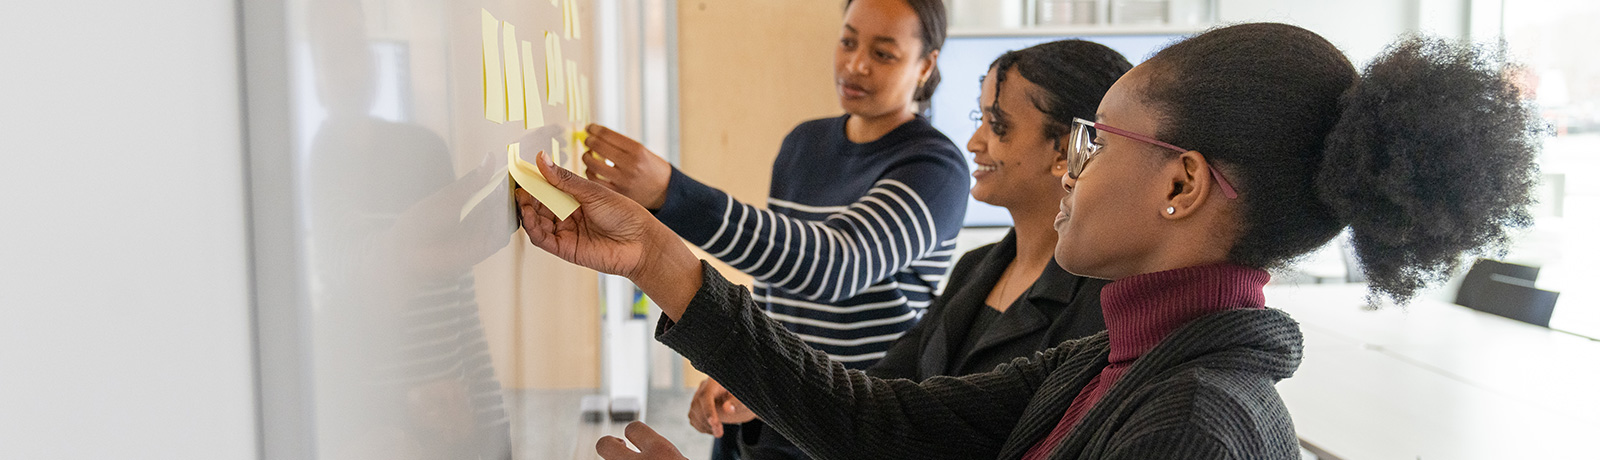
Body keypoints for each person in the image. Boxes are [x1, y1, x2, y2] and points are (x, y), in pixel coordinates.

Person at [516, 22, 1542, 459]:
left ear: (1181, 183)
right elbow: (883, 426)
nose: (1070, 166)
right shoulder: (1121, 358)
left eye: (1094, 139)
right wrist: (655, 259)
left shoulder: (1192, 422)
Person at [683, 39, 1131, 454]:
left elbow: (837, 264)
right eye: (980, 122)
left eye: (998, 127)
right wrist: (766, 388)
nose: (975, 143)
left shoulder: (1106, 304)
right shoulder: (977, 269)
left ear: (1067, 151)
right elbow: (878, 393)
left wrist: (670, 216)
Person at [579, 0, 965, 456]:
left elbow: (833, 265)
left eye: (884, 54)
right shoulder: (804, 143)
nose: (855, 64)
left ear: (927, 64)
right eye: (847, 41)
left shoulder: (936, 169)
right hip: (769, 409)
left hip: (847, 427)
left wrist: (672, 194)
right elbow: (778, 279)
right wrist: (740, 365)